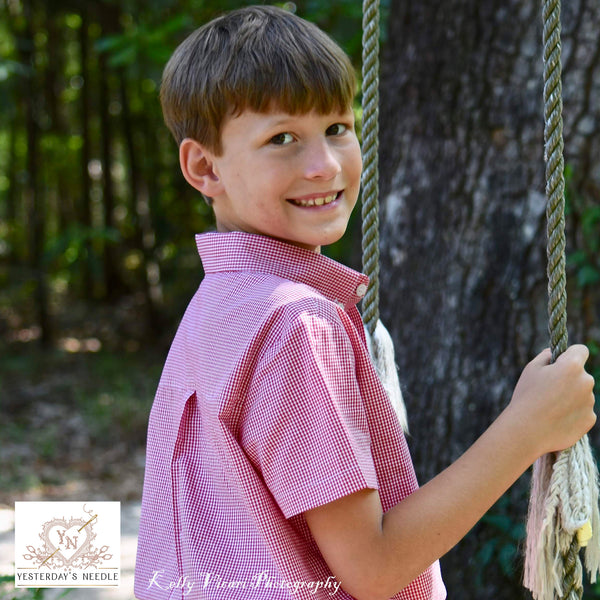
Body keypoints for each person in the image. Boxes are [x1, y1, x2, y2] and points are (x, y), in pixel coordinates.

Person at [133, 5, 596, 600]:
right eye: (282, 139)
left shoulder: (218, 307)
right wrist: (527, 427)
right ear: (204, 167)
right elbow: (374, 570)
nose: (323, 164)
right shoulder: (295, 321)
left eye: (336, 128)